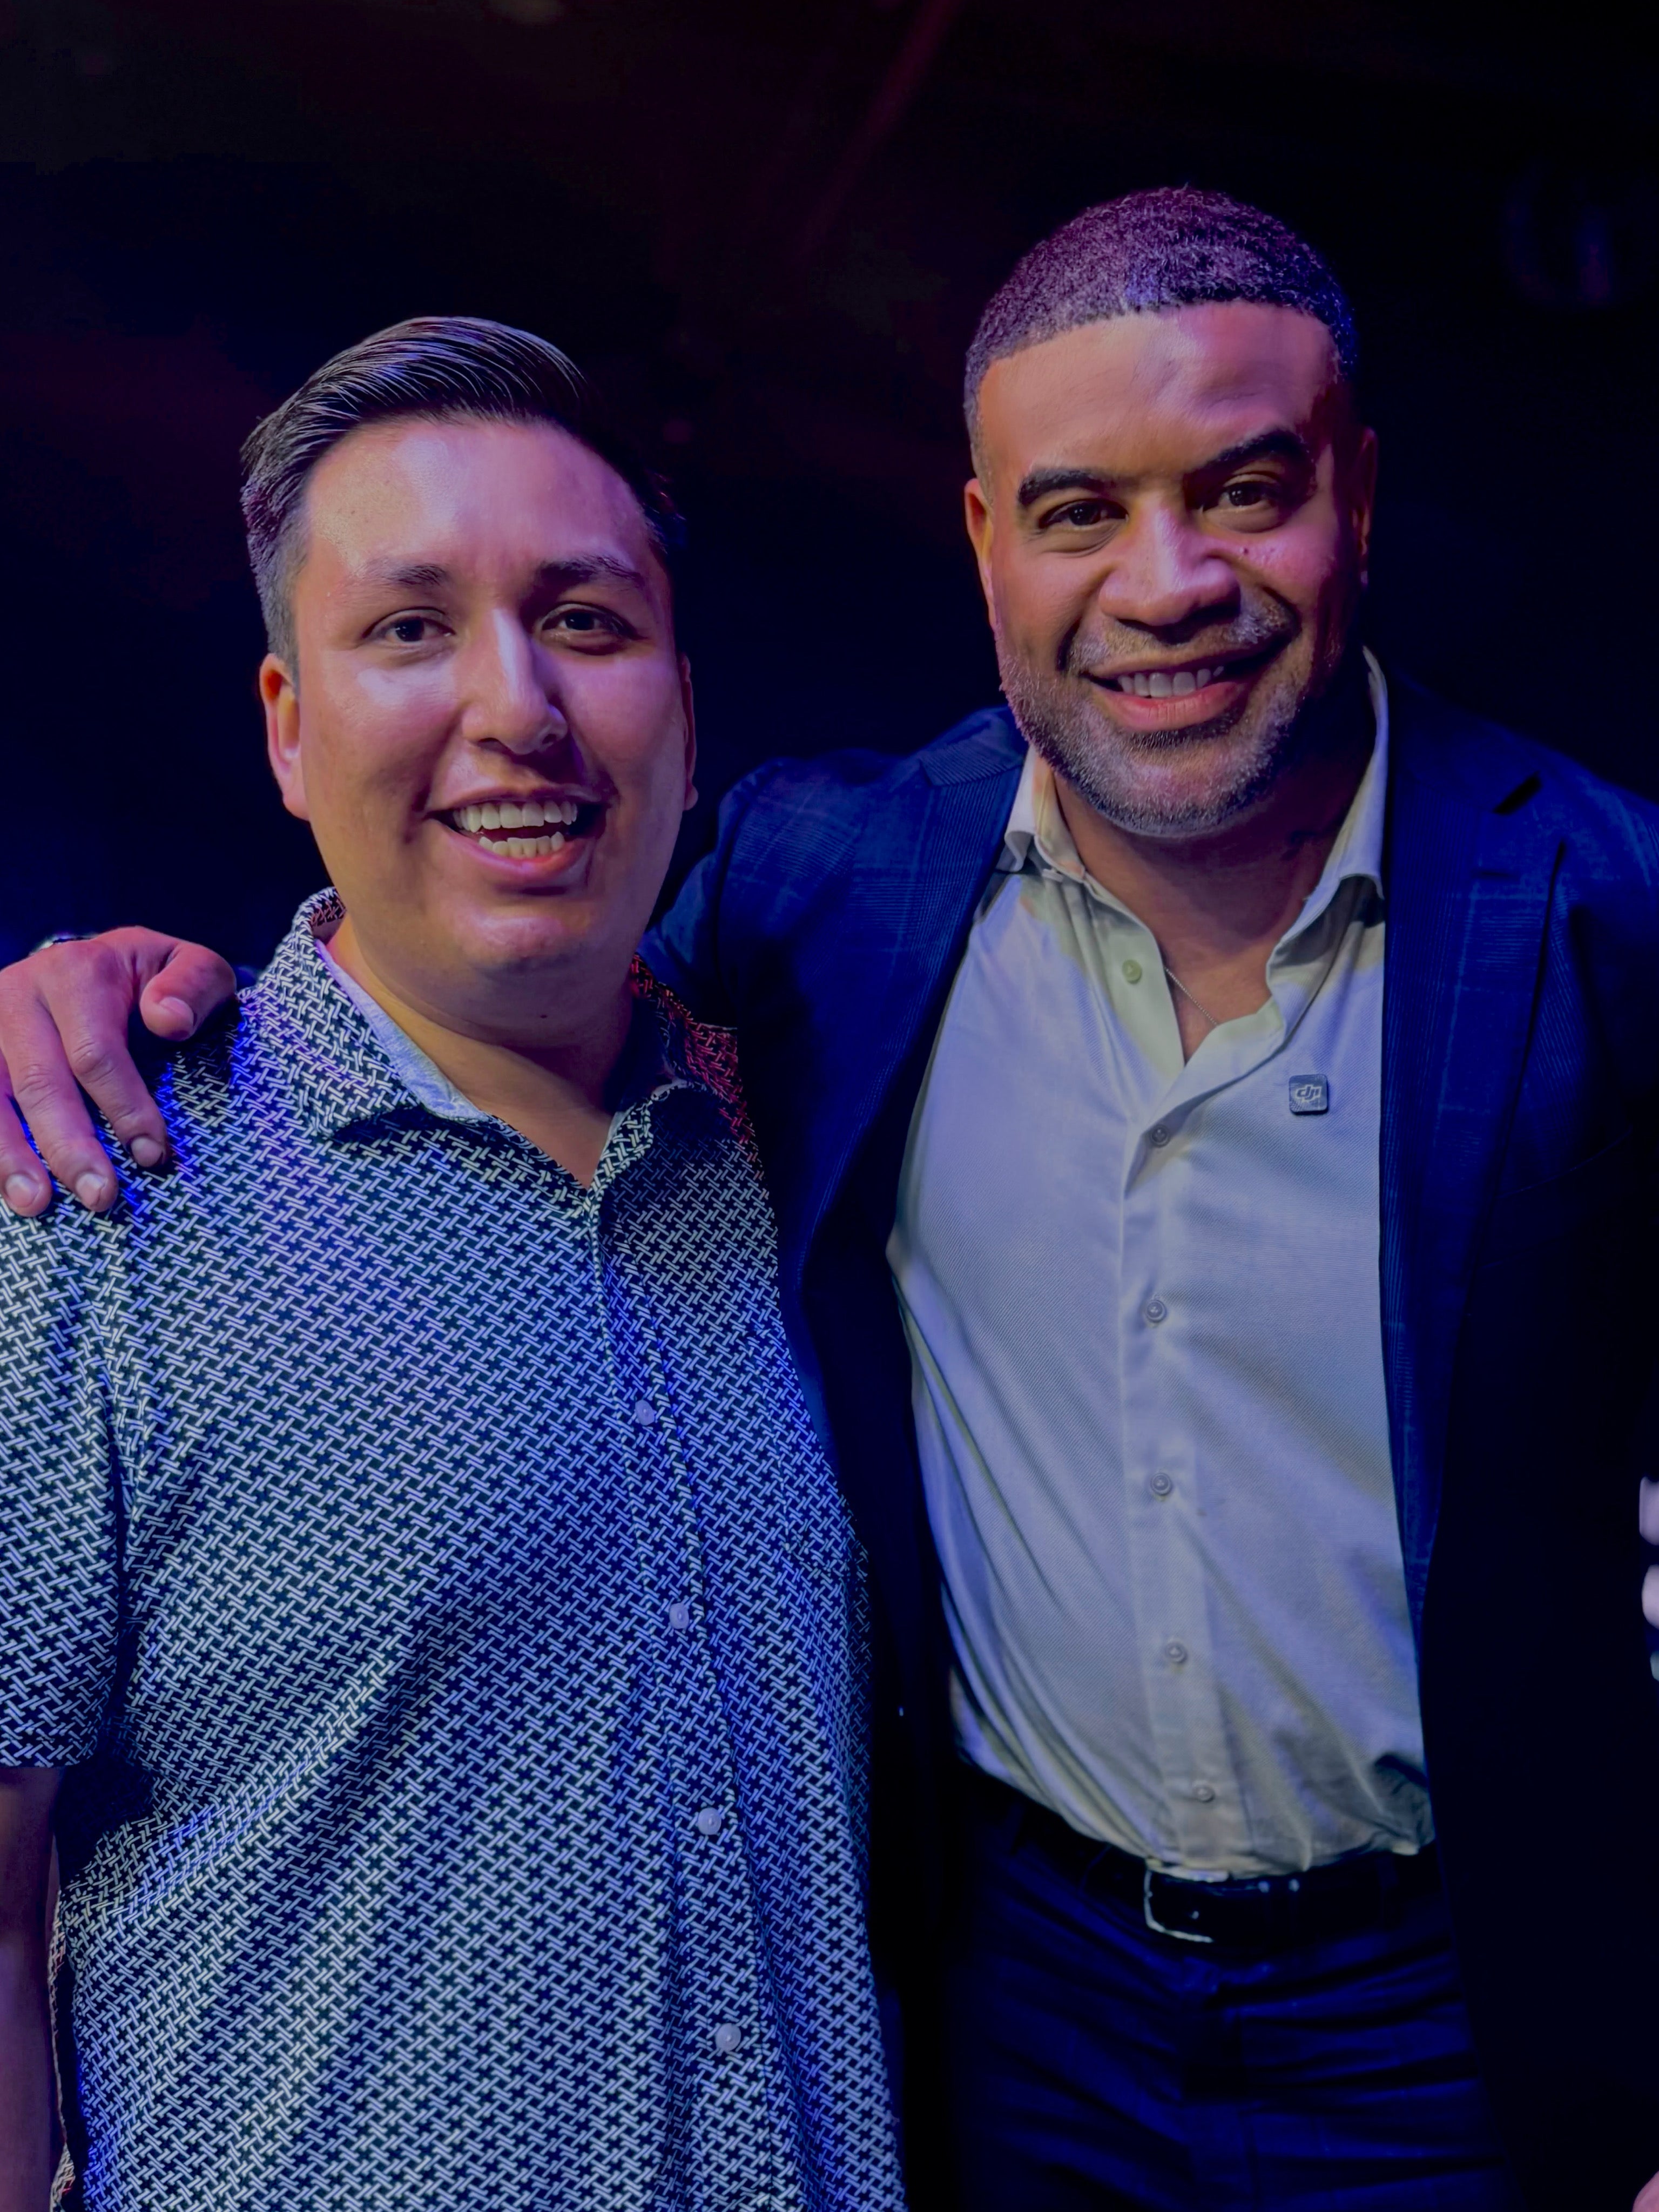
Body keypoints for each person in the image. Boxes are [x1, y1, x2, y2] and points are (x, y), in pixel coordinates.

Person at [3, 191, 1658, 2211]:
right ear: (984, 545)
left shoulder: (1608, 908)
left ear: (1361, 498)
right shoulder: (827, 900)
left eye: (1244, 490)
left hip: (1466, 2014)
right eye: (1075, 513)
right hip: (1029, 2013)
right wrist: (77, 992)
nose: (1166, 584)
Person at [0, 317, 906, 2212]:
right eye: (410, 628)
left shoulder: (805, 1160)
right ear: (288, 721)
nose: (519, 706)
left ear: (682, 692)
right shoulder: (86, 1205)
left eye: (584, 619)